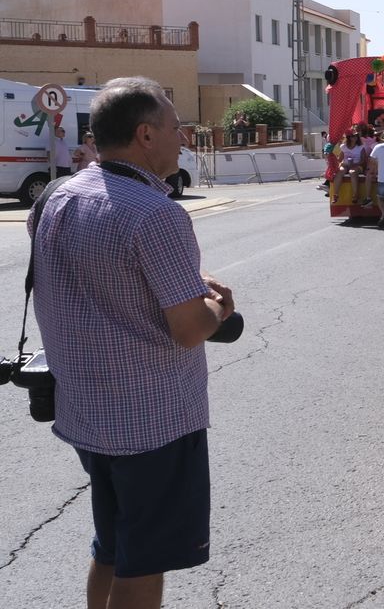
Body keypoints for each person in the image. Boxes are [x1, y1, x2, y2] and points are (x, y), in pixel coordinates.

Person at [28, 77, 235, 609]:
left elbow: (95, 278)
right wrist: (219, 306)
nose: (183, 138)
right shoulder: (156, 214)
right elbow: (189, 328)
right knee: (144, 566)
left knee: (113, 548)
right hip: (153, 424)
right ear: (145, 134)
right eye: (174, 127)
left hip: (87, 414)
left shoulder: (59, 196)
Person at [330, 131, 366, 203]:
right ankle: (335, 195)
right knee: (339, 172)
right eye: (353, 136)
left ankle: (355, 195)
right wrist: (331, 157)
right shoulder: (343, 146)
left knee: (352, 172)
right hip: (345, 164)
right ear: (349, 137)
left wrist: (355, 164)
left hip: (357, 165)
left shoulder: (360, 147)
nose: (355, 137)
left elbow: (363, 160)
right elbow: (340, 159)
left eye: (356, 136)